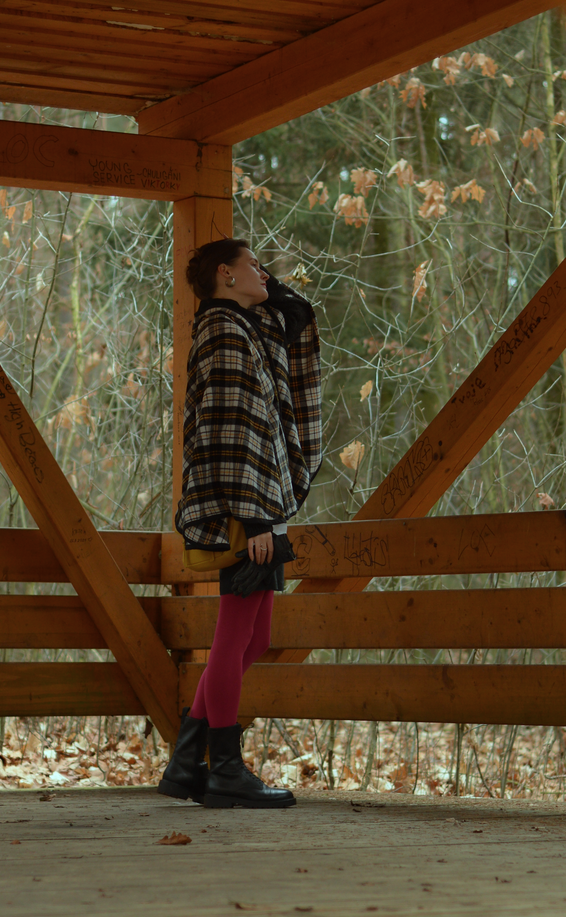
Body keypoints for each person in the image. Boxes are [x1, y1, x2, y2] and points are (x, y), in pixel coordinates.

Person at [158, 238, 322, 809]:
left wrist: (280, 297)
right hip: (242, 510)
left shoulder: (242, 325)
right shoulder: (225, 330)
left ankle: (185, 765)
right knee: (234, 637)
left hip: (256, 504)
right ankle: (224, 771)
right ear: (226, 274)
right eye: (254, 265)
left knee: (257, 639)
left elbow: (288, 336)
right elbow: (229, 427)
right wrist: (253, 518)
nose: (265, 273)